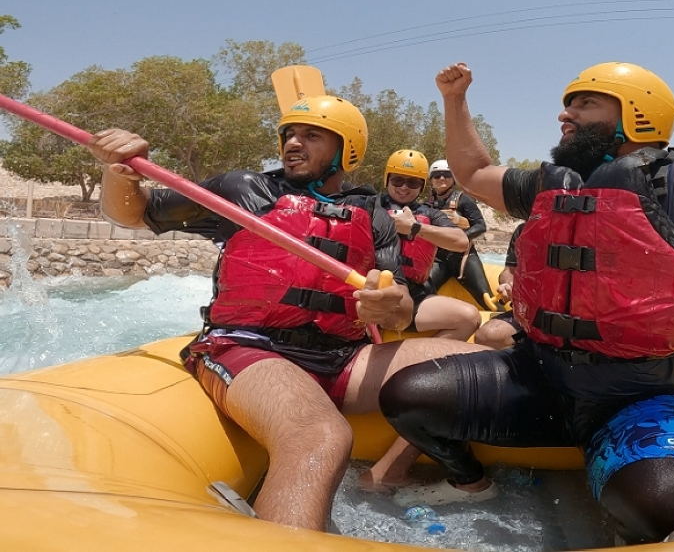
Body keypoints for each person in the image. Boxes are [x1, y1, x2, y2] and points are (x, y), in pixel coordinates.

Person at [379, 0, 674, 544]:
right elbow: (474, 169)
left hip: (645, 395)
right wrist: (455, 100)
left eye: (584, 104)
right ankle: (471, 481)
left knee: (667, 507)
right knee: (406, 396)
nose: (563, 114)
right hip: (540, 379)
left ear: (636, 115)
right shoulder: (552, 185)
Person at [86, 95, 487, 533]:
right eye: (288, 134)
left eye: (311, 135)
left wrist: (388, 305)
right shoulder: (243, 190)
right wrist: (120, 173)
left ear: (346, 149)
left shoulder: (374, 212)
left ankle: (388, 473)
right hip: (248, 348)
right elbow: (134, 212)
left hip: (343, 358)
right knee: (321, 435)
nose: (293, 143)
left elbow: (401, 305)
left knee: (474, 370)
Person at [379, 149, 481, 341]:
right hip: (374, 293)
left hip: (414, 295)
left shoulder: (431, 214)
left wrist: (415, 227)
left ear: (422, 185)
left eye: (412, 182)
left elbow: (461, 242)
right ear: (387, 179)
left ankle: (424, 361)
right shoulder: (369, 205)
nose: (404, 187)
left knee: (469, 318)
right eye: (397, 180)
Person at [424, 159, 494, 309]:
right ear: (431, 180)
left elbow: (480, 225)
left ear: (453, 178)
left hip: (464, 258)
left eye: (446, 175)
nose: (442, 178)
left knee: (487, 299)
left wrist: (460, 237)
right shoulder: (426, 205)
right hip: (439, 260)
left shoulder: (464, 200)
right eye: (437, 175)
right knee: (421, 293)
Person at [473, 222, 523, 349]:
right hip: (528, 314)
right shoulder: (524, 230)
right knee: (485, 336)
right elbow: (509, 271)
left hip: (571, 320)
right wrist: (508, 284)